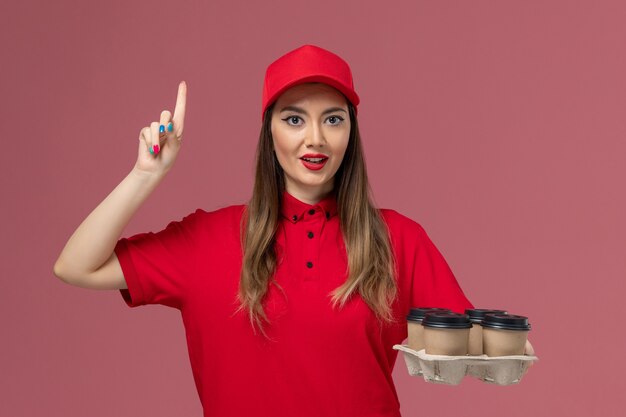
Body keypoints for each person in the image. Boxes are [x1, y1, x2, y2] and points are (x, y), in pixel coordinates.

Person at [54, 44, 534, 417]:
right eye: (294, 119)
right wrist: (145, 175)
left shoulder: (397, 239)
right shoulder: (207, 239)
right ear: (270, 133)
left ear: (351, 133)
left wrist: (511, 349)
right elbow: (75, 266)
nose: (315, 139)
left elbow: (473, 343)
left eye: (333, 119)